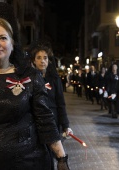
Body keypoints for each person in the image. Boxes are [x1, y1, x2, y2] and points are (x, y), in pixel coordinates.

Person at [0, 4, 70, 170]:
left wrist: (61, 157)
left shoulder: (31, 77)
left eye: (3, 38)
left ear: (12, 44)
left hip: (26, 163)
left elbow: (45, 120)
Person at [28, 40, 72, 169]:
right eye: (39, 58)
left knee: (52, 154)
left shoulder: (55, 79)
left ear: (49, 61)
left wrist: (66, 125)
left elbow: (61, 103)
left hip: (53, 122)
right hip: (35, 123)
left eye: (45, 58)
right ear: (34, 61)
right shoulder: (29, 79)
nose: (42, 61)